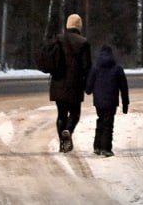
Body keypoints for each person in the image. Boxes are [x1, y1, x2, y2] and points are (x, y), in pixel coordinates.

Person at [49, 13, 92, 153]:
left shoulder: (57, 39)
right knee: (75, 113)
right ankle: (68, 131)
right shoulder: (83, 42)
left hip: (57, 83)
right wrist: (88, 84)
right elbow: (87, 67)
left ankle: (63, 144)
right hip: (75, 84)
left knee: (61, 114)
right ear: (79, 26)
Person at [85, 44, 130, 157]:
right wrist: (125, 104)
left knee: (100, 120)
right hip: (111, 101)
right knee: (108, 124)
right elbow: (124, 88)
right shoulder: (117, 68)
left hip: (99, 102)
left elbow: (88, 88)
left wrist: (89, 90)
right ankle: (106, 148)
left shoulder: (95, 68)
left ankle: (97, 146)